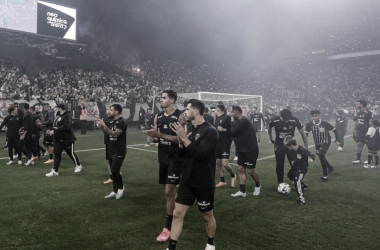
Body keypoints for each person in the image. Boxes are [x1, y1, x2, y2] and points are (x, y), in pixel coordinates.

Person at [167, 99, 219, 250]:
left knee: (207, 215)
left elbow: (201, 154)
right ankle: (171, 247)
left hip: (204, 182)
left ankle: (210, 243)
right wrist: (182, 144)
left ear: (196, 111)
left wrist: (183, 137)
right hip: (187, 181)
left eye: (187, 109)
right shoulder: (190, 128)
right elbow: (181, 155)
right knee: (177, 214)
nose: (185, 111)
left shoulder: (210, 131)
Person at [143, 90, 186, 243]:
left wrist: (159, 135)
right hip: (163, 157)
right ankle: (176, 208)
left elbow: (181, 139)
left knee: (169, 190)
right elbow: (157, 139)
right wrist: (153, 136)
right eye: (161, 98)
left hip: (176, 157)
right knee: (168, 193)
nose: (161, 100)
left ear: (172, 100)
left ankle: (167, 227)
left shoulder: (180, 116)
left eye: (164, 98)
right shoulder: (158, 116)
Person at [268, 108, 308, 185]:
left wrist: (306, 148)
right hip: (279, 145)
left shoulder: (295, 120)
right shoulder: (274, 120)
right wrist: (271, 138)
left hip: (291, 145)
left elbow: (303, 133)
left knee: (295, 163)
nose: (286, 121)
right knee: (280, 164)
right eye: (284, 119)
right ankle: (281, 183)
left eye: (287, 119)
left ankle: (297, 180)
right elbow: (269, 127)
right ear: (280, 116)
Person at [96, 104, 128, 199]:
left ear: (117, 111)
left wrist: (104, 127)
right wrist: (101, 127)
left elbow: (115, 134)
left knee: (115, 170)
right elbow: (107, 133)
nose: (109, 111)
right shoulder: (110, 121)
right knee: (112, 171)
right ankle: (114, 191)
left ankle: (121, 188)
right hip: (111, 148)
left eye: (111, 109)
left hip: (119, 149)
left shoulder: (122, 122)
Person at [230, 106, 261, 198]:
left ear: (236, 112)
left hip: (250, 149)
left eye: (232, 112)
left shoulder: (245, 121)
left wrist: (231, 122)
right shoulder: (237, 121)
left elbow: (233, 132)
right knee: (241, 169)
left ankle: (258, 185)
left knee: (251, 171)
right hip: (241, 149)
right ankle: (242, 191)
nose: (231, 113)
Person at [45, 103, 82, 177]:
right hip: (58, 139)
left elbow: (66, 126)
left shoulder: (67, 115)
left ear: (60, 108)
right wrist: (50, 130)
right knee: (57, 154)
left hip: (67, 139)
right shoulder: (58, 116)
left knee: (70, 153)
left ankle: (78, 165)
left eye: (57, 108)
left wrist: (54, 131)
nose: (56, 109)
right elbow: (55, 126)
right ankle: (55, 171)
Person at [305, 110, 339, 180]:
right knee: (321, 155)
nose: (315, 117)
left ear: (319, 116)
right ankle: (330, 167)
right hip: (317, 142)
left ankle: (325, 174)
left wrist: (337, 140)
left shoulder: (324, 123)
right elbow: (306, 134)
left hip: (325, 141)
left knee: (321, 154)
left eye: (316, 116)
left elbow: (335, 130)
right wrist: (304, 140)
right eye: (313, 116)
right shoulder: (309, 124)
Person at [284, 136, 315, 205]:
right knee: (290, 175)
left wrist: (311, 159)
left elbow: (312, 154)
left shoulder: (302, 150)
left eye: (289, 146)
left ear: (292, 145)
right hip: (295, 168)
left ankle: (302, 200)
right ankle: (303, 185)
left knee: (297, 182)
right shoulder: (292, 150)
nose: (288, 148)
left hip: (302, 169)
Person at [213, 104, 237, 188]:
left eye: (215, 109)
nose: (214, 111)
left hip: (225, 143)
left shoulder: (226, 117)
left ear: (219, 109)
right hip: (217, 143)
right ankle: (222, 181)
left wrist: (224, 129)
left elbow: (232, 129)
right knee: (219, 162)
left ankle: (233, 175)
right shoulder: (216, 119)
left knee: (225, 164)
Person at [102, 106, 113, 184]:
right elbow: (105, 131)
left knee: (112, 160)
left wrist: (104, 126)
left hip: (114, 142)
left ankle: (112, 176)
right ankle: (112, 175)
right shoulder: (106, 118)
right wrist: (101, 127)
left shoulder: (115, 120)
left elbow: (112, 131)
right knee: (109, 160)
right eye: (106, 109)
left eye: (109, 109)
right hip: (107, 141)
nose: (107, 111)